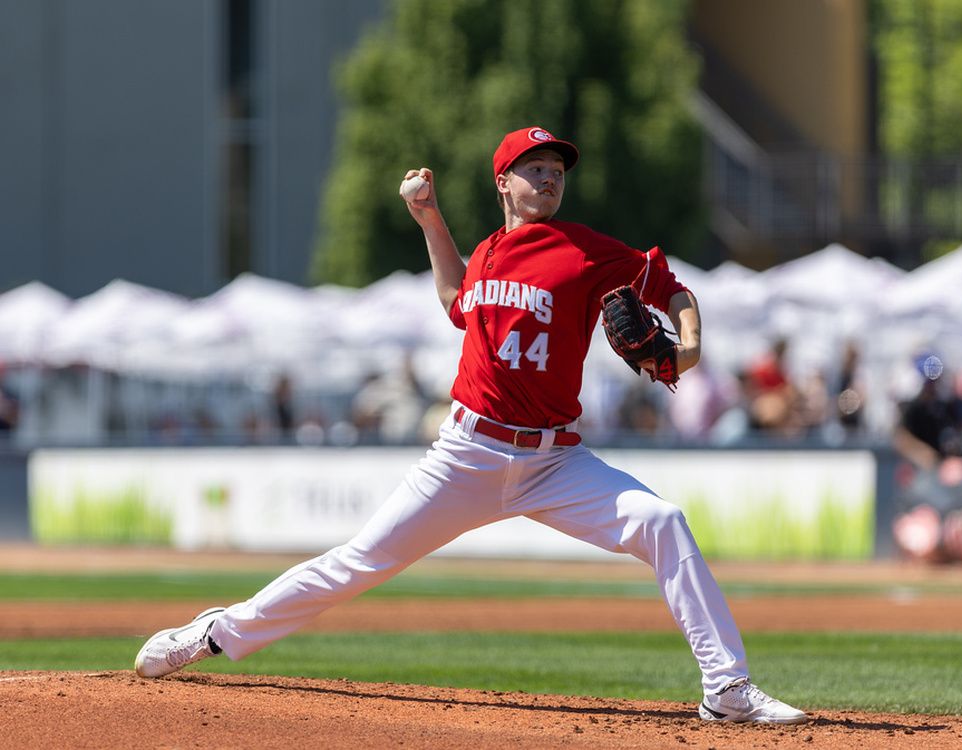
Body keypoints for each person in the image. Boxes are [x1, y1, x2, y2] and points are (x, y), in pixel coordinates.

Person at [134, 126, 806, 725]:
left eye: (557, 171)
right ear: (504, 182)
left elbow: (674, 290)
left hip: (554, 462)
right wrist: (428, 218)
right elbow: (459, 298)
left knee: (663, 522)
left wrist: (686, 346)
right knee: (358, 562)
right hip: (467, 453)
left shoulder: (585, 251)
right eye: (535, 168)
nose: (549, 177)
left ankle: (727, 688)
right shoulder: (486, 254)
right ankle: (218, 632)